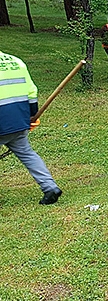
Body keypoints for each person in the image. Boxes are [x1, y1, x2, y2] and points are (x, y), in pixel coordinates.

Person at [0, 51, 62, 205]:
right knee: (27, 153)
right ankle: (50, 187)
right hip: (19, 120)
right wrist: (32, 115)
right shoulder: (15, 61)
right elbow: (32, 91)